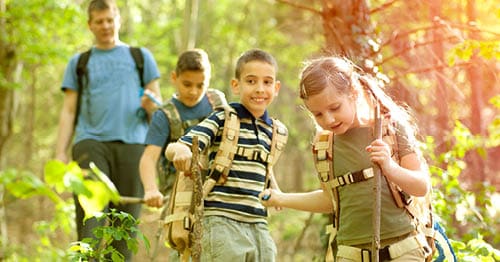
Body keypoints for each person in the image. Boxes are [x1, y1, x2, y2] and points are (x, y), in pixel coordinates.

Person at [259, 56, 432, 261]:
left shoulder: (390, 129)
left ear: (354, 93)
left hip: (402, 249)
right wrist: (282, 199)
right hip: (350, 252)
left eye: (335, 108)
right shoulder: (324, 146)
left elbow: (421, 187)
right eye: (319, 114)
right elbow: (330, 200)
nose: (329, 119)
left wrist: (389, 167)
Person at [55, 0, 161, 260]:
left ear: (118, 20)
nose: (105, 26)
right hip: (90, 144)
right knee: (90, 228)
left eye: (109, 20)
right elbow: (68, 111)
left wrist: (150, 105)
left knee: (124, 233)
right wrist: (60, 153)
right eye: (99, 21)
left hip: (134, 147)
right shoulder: (79, 62)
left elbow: (158, 110)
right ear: (90, 25)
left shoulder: (140, 57)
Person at [165, 48, 286, 261]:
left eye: (267, 82)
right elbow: (178, 146)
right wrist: (181, 151)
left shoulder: (274, 130)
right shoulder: (224, 118)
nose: (260, 89)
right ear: (236, 85)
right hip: (222, 221)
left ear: (276, 88)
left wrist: (275, 188)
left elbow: (265, 166)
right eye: (251, 81)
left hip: (258, 222)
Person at [140, 48, 227, 208]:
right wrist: (151, 189)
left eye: (200, 85)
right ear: (174, 77)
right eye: (187, 84)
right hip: (178, 196)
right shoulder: (165, 115)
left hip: (216, 192)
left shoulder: (217, 103)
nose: (193, 92)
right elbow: (149, 158)